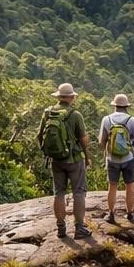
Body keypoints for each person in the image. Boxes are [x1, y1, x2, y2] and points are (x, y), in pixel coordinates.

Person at [37, 82, 92, 240]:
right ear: (71, 98)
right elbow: (83, 139)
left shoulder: (48, 112)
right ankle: (79, 228)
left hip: (56, 160)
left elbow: (40, 136)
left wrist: (48, 152)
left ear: (59, 97)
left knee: (59, 193)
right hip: (74, 159)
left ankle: (61, 228)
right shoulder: (75, 115)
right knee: (79, 193)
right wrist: (87, 157)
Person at [99, 93, 134, 223]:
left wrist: (105, 154)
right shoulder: (132, 120)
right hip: (128, 158)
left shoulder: (106, 119)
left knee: (112, 187)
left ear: (115, 106)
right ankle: (130, 214)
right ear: (126, 106)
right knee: (130, 187)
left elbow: (102, 140)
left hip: (112, 159)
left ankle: (111, 214)